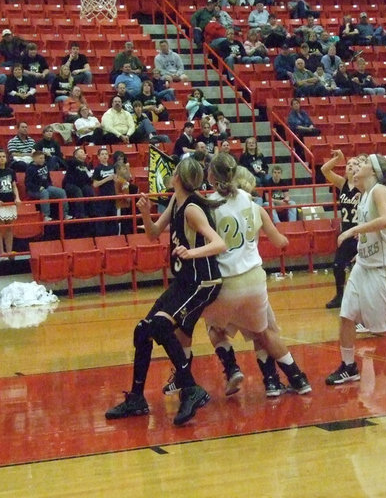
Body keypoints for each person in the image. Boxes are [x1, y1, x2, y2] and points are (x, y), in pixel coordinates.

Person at [104, 158, 226, 426]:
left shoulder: (193, 208)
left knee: (160, 326)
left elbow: (220, 244)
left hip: (203, 282)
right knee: (143, 330)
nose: (170, 176)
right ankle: (136, 398)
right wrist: (146, 212)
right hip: (184, 281)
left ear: (179, 178)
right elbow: (152, 234)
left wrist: (191, 251)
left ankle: (190, 389)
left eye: (173, 173)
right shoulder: (175, 202)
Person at [201, 155, 311, 396]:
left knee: (213, 328)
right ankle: (296, 379)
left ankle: (232, 370)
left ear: (211, 176)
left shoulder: (208, 207)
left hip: (226, 282)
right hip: (254, 279)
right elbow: (280, 242)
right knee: (264, 332)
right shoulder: (253, 204)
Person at [325, 154, 386, 385]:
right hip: (364, 265)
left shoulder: (380, 190)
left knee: (377, 328)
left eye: (364, 163)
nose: (358, 166)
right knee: (346, 315)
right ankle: (349, 366)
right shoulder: (362, 195)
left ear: (374, 171)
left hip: (384, 268)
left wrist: (352, 231)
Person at [322, 151, 362, 309]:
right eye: (348, 164)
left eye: (355, 164)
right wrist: (338, 158)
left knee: (362, 268)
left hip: (360, 233)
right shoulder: (342, 184)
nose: (351, 166)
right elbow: (324, 170)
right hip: (345, 233)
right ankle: (340, 296)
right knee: (338, 266)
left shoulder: (364, 187)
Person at [25, 150, 70, 222]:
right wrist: (38, 188)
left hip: (46, 187)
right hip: (33, 190)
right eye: (40, 158)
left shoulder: (45, 165)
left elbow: (48, 177)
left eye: (43, 158)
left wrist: (50, 185)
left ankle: (65, 215)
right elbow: (27, 183)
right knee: (44, 193)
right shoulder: (30, 169)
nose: (43, 160)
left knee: (61, 192)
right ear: (34, 159)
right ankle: (46, 216)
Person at [63, 147, 95, 219]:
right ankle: (80, 215)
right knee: (78, 191)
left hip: (81, 185)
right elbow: (69, 162)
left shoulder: (86, 166)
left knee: (88, 190)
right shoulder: (72, 163)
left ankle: (92, 213)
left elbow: (89, 179)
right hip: (70, 184)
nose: (83, 153)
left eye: (84, 152)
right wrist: (82, 164)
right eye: (81, 152)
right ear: (76, 156)